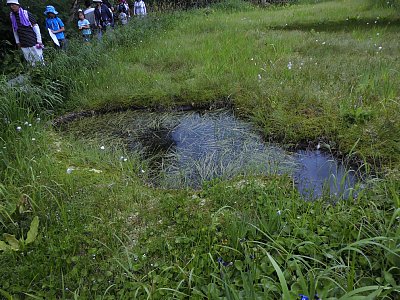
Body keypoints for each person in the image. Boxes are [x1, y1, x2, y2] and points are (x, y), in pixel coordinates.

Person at [7, 0, 44, 66]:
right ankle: (33, 73)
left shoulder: (26, 13)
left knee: (38, 57)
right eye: (10, 5)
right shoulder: (12, 16)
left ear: (18, 5)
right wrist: (17, 41)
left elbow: (35, 26)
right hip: (23, 41)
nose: (11, 7)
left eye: (13, 5)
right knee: (29, 59)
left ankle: (43, 72)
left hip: (33, 40)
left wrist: (39, 40)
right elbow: (15, 29)